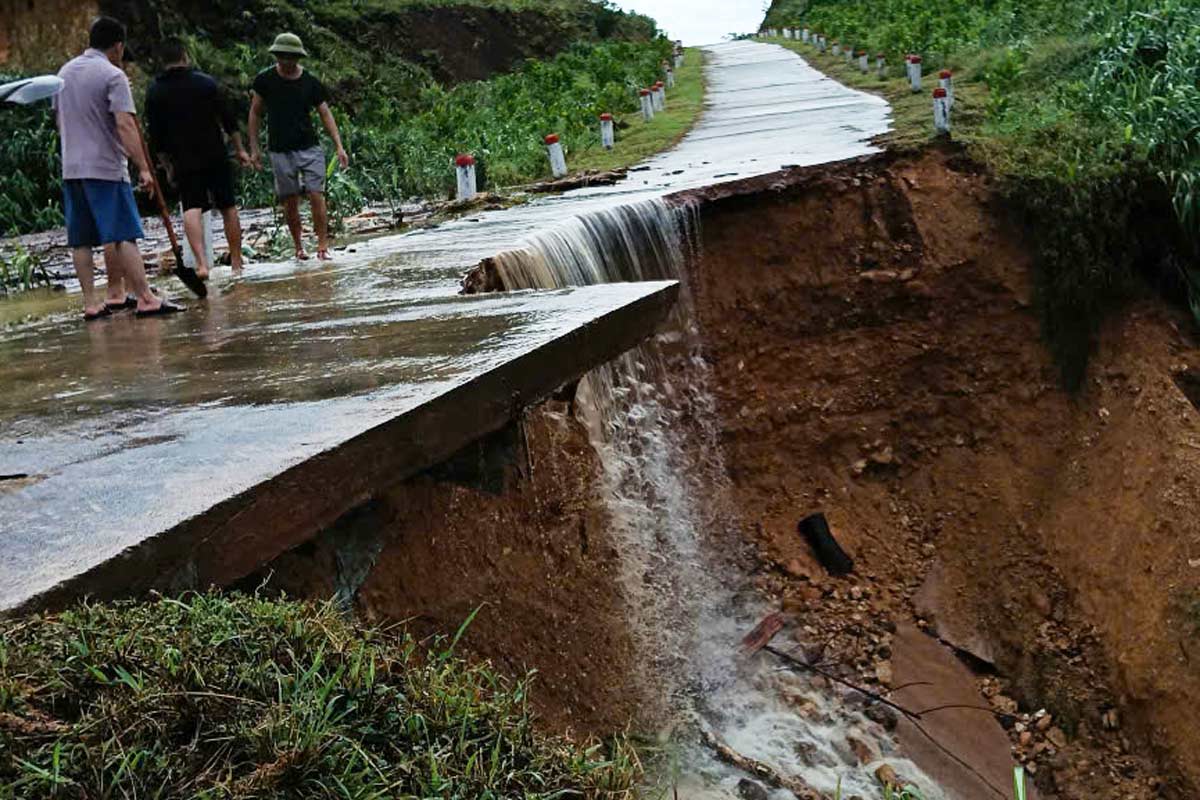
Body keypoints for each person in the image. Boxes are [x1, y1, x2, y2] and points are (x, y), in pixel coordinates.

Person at [55, 16, 182, 320]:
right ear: (118, 46)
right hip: (105, 167)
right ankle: (146, 298)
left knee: (81, 239)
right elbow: (125, 124)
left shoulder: (64, 73)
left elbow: (59, 118)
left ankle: (91, 303)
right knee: (124, 233)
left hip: (72, 167)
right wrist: (144, 167)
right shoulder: (113, 75)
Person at [146, 37, 251, 279]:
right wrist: (240, 150)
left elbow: (156, 137)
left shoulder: (155, 92)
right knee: (227, 206)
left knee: (191, 207)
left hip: (183, 157)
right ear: (185, 56)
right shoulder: (206, 83)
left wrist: (167, 167)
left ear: (163, 62)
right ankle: (236, 262)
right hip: (214, 152)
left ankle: (202, 265)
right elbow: (229, 121)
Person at [248, 33, 349, 261]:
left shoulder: (310, 82)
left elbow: (325, 113)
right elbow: (255, 113)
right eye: (282, 56)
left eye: (290, 57)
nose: (286, 61)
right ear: (277, 56)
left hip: (309, 147)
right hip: (279, 149)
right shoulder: (265, 81)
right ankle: (299, 247)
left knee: (316, 194)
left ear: (297, 57)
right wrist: (254, 148)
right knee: (290, 199)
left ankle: (323, 246)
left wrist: (339, 146)